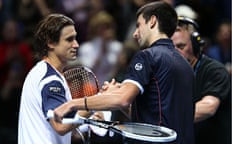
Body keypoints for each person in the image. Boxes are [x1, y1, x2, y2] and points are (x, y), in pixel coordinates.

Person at [53, 2, 195, 144]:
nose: (135, 33)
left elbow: (122, 99)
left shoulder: (148, 56)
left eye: (139, 25)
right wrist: (118, 97)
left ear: (152, 21)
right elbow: (155, 113)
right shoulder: (186, 65)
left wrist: (72, 104)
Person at [18, 13, 105, 144]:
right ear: (51, 43)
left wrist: (87, 122)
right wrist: (92, 106)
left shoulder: (44, 73)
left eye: (75, 38)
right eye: (69, 40)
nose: (76, 45)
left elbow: (66, 131)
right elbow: (60, 126)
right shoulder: (50, 79)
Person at [171, 16, 231, 144]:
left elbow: (208, 107)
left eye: (181, 46)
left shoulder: (215, 71)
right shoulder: (169, 73)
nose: (174, 53)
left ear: (197, 46)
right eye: (171, 47)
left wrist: (168, 116)